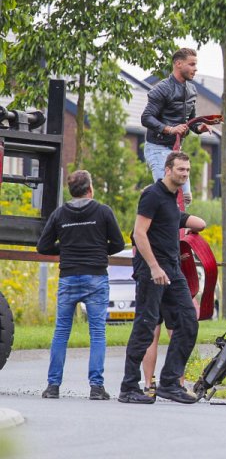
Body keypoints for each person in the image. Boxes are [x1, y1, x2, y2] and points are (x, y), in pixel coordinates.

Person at [119, 151, 206, 404]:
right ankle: (128, 388)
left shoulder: (172, 199)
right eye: (181, 170)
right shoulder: (152, 195)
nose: (185, 174)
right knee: (146, 327)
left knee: (188, 322)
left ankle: (170, 382)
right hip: (152, 271)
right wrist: (154, 267)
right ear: (168, 170)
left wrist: (195, 223)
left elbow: (187, 222)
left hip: (173, 269)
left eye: (188, 171)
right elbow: (139, 233)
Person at [36, 170, 125, 400]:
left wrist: (65, 248)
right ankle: (96, 387)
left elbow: (43, 247)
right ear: (90, 188)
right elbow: (118, 243)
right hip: (95, 276)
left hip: (68, 276)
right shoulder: (103, 211)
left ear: (71, 191)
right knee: (97, 332)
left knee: (61, 332)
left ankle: (52, 386)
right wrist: (97, 249)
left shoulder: (59, 214)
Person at [140, 47, 205, 207]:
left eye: (195, 65)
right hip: (157, 148)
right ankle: (150, 202)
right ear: (178, 64)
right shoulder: (162, 89)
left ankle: (176, 229)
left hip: (175, 150)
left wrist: (200, 127)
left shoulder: (191, 90)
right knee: (169, 196)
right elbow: (146, 118)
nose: (195, 69)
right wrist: (171, 129)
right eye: (191, 64)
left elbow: (192, 122)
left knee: (186, 198)